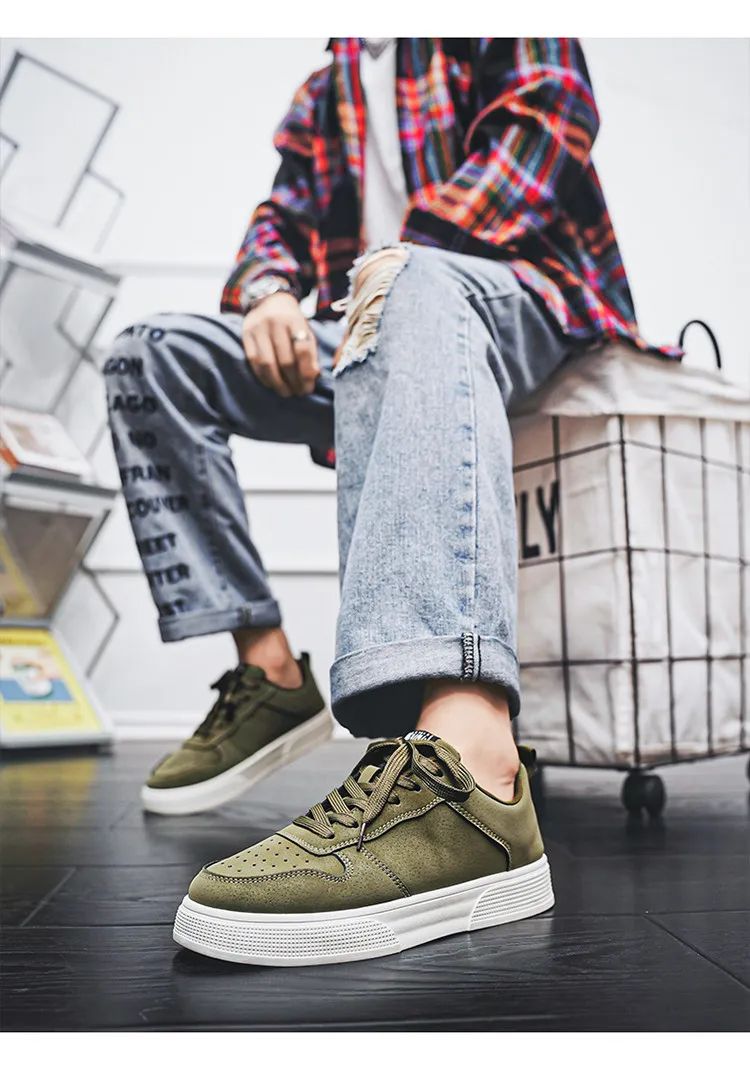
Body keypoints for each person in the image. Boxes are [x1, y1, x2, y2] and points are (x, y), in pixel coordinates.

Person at [106, 38, 671, 966]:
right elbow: (278, 219)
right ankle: (270, 674)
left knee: (407, 277)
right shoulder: (329, 80)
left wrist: (391, 266)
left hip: (519, 301)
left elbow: (549, 123)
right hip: (370, 324)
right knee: (150, 356)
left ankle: (473, 762)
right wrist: (270, 293)